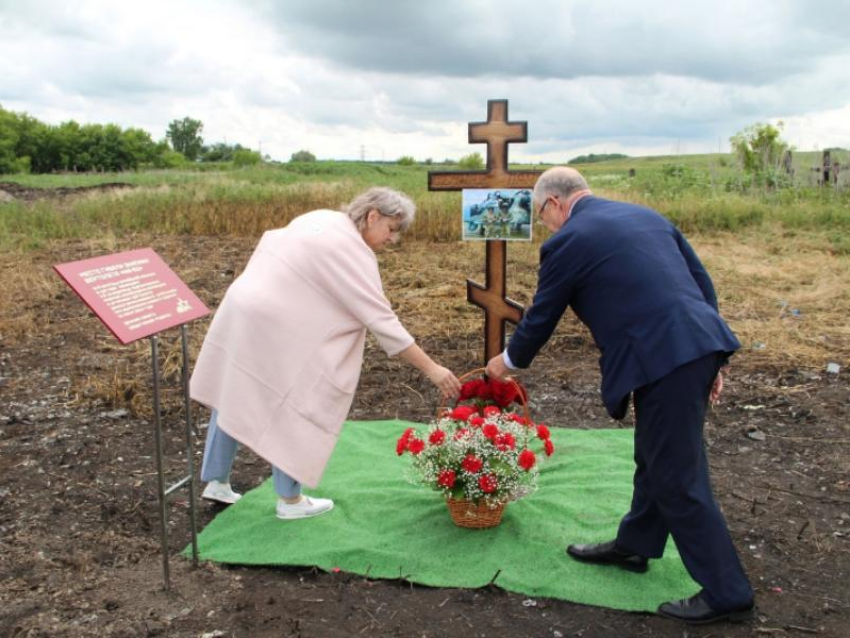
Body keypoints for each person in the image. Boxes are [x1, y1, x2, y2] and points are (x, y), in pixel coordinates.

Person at [485, 167, 754, 625]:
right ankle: (635, 546)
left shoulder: (568, 241)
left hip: (666, 356)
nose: (544, 227)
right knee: (656, 454)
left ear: (554, 203)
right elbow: (701, 284)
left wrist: (506, 363)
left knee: (676, 475)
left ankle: (728, 593)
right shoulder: (646, 217)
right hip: (690, 346)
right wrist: (711, 355)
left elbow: (543, 315)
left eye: (540, 214)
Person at [191, 187, 461, 520]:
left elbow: (272, 247)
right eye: (391, 229)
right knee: (294, 400)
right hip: (274, 323)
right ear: (372, 215)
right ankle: (289, 501)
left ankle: (216, 481)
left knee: (232, 388)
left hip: (242, 304)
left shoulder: (319, 218)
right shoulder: (353, 251)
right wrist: (432, 368)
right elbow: (382, 320)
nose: (393, 240)